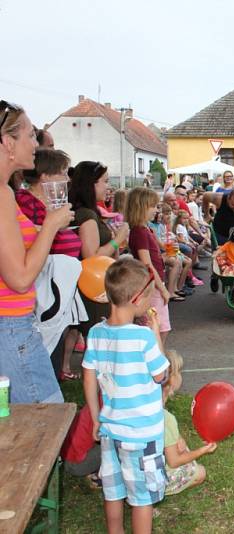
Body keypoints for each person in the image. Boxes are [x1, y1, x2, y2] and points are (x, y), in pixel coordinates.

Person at [82, 257, 170, 534]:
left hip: (110, 430)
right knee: (142, 499)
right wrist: (156, 335)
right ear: (136, 299)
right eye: (149, 296)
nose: (150, 301)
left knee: (114, 490)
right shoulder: (142, 337)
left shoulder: (96, 333)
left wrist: (96, 419)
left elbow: (88, 378)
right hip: (142, 435)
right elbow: (161, 376)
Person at [0, 101, 72, 403]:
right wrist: (50, 226)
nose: (36, 142)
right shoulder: (1, 195)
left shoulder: (6, 191)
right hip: (11, 327)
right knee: (44, 425)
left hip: (11, 327)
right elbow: (19, 277)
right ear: (8, 143)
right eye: (30, 135)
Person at [16, 148, 84, 380]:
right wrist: (53, 224)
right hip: (43, 281)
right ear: (45, 176)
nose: (67, 179)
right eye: (63, 173)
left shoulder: (51, 205)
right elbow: (27, 238)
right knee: (46, 337)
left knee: (59, 334)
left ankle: (53, 379)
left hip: (58, 280)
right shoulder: (26, 202)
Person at [70, 161, 131, 340]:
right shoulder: (87, 215)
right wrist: (117, 239)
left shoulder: (90, 212)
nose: (108, 186)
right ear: (91, 184)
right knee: (99, 340)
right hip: (93, 289)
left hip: (94, 286)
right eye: (105, 181)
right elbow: (92, 257)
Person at [161, 350, 217, 495]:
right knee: (199, 472)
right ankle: (153, 497)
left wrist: (178, 439)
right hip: (148, 481)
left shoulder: (149, 407)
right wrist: (201, 451)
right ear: (171, 379)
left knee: (183, 450)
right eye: (179, 372)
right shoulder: (167, 419)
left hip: (130, 470)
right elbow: (173, 461)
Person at [125, 188, 174, 340]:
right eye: (153, 206)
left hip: (153, 283)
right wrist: (162, 288)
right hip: (151, 285)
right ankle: (155, 359)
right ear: (142, 207)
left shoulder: (145, 229)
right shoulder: (139, 231)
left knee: (160, 327)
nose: (156, 210)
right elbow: (147, 264)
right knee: (157, 327)